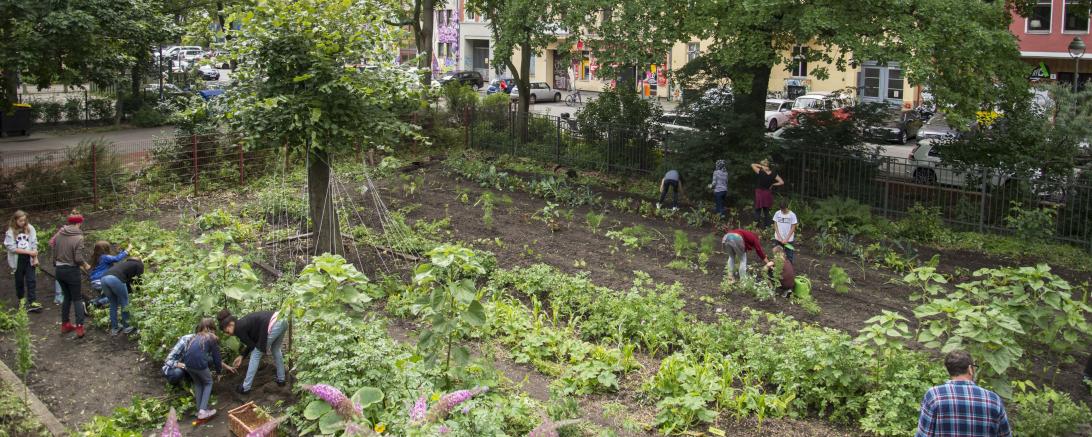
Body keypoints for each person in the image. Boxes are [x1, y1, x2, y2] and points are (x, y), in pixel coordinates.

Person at [916, 350, 1012, 437]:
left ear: (948, 370)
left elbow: (923, 434)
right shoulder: (993, 399)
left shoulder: (934, 395)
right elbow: (1005, 434)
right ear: (970, 369)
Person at [218, 309, 288, 394]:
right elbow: (252, 343)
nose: (227, 334)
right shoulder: (242, 323)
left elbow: (253, 347)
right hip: (282, 318)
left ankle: (245, 388)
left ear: (231, 324)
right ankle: (281, 380)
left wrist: (243, 355)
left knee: (256, 354)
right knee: (275, 349)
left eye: (226, 331)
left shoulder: (238, 329)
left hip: (273, 323)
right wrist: (241, 356)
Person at [53, 211, 90, 338]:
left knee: (67, 297)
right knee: (77, 298)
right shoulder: (79, 237)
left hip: (59, 270)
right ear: (79, 223)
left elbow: (54, 251)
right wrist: (85, 265)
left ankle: (65, 324)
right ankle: (80, 327)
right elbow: (78, 258)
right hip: (71, 271)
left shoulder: (58, 235)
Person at [183, 318, 225, 421]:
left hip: (187, 364)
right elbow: (216, 357)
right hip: (199, 364)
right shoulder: (211, 337)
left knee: (198, 384)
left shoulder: (195, 336)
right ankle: (202, 411)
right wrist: (219, 372)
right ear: (212, 328)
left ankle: (199, 409)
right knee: (208, 382)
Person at [5, 211, 41, 313]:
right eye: (20, 220)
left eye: (24, 220)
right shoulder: (10, 232)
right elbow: (11, 248)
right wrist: (29, 252)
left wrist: (35, 257)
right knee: (19, 280)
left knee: (31, 280)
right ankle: (21, 300)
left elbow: (34, 242)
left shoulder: (30, 228)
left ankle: (32, 300)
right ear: (15, 220)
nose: (23, 222)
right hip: (18, 260)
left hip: (29, 259)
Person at [100, 258, 144, 335]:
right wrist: (140, 294)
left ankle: (115, 328)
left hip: (103, 279)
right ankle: (127, 326)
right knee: (124, 301)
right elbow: (138, 280)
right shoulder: (139, 265)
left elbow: (127, 281)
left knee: (113, 303)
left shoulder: (125, 264)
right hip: (116, 279)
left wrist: (130, 291)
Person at [89, 241, 129, 307]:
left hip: (95, 282)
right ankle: (96, 304)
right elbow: (117, 258)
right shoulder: (105, 257)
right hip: (100, 281)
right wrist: (127, 250)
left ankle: (89, 303)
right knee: (116, 295)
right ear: (105, 249)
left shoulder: (96, 257)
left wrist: (122, 250)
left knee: (104, 295)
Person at [751, 160, 784, 227]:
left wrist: (761, 167)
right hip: (767, 193)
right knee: (766, 211)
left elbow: (752, 164)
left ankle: (756, 227)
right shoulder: (774, 173)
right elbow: (781, 182)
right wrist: (773, 184)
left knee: (758, 210)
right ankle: (767, 227)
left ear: (762, 165)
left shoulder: (760, 171)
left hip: (759, 193)